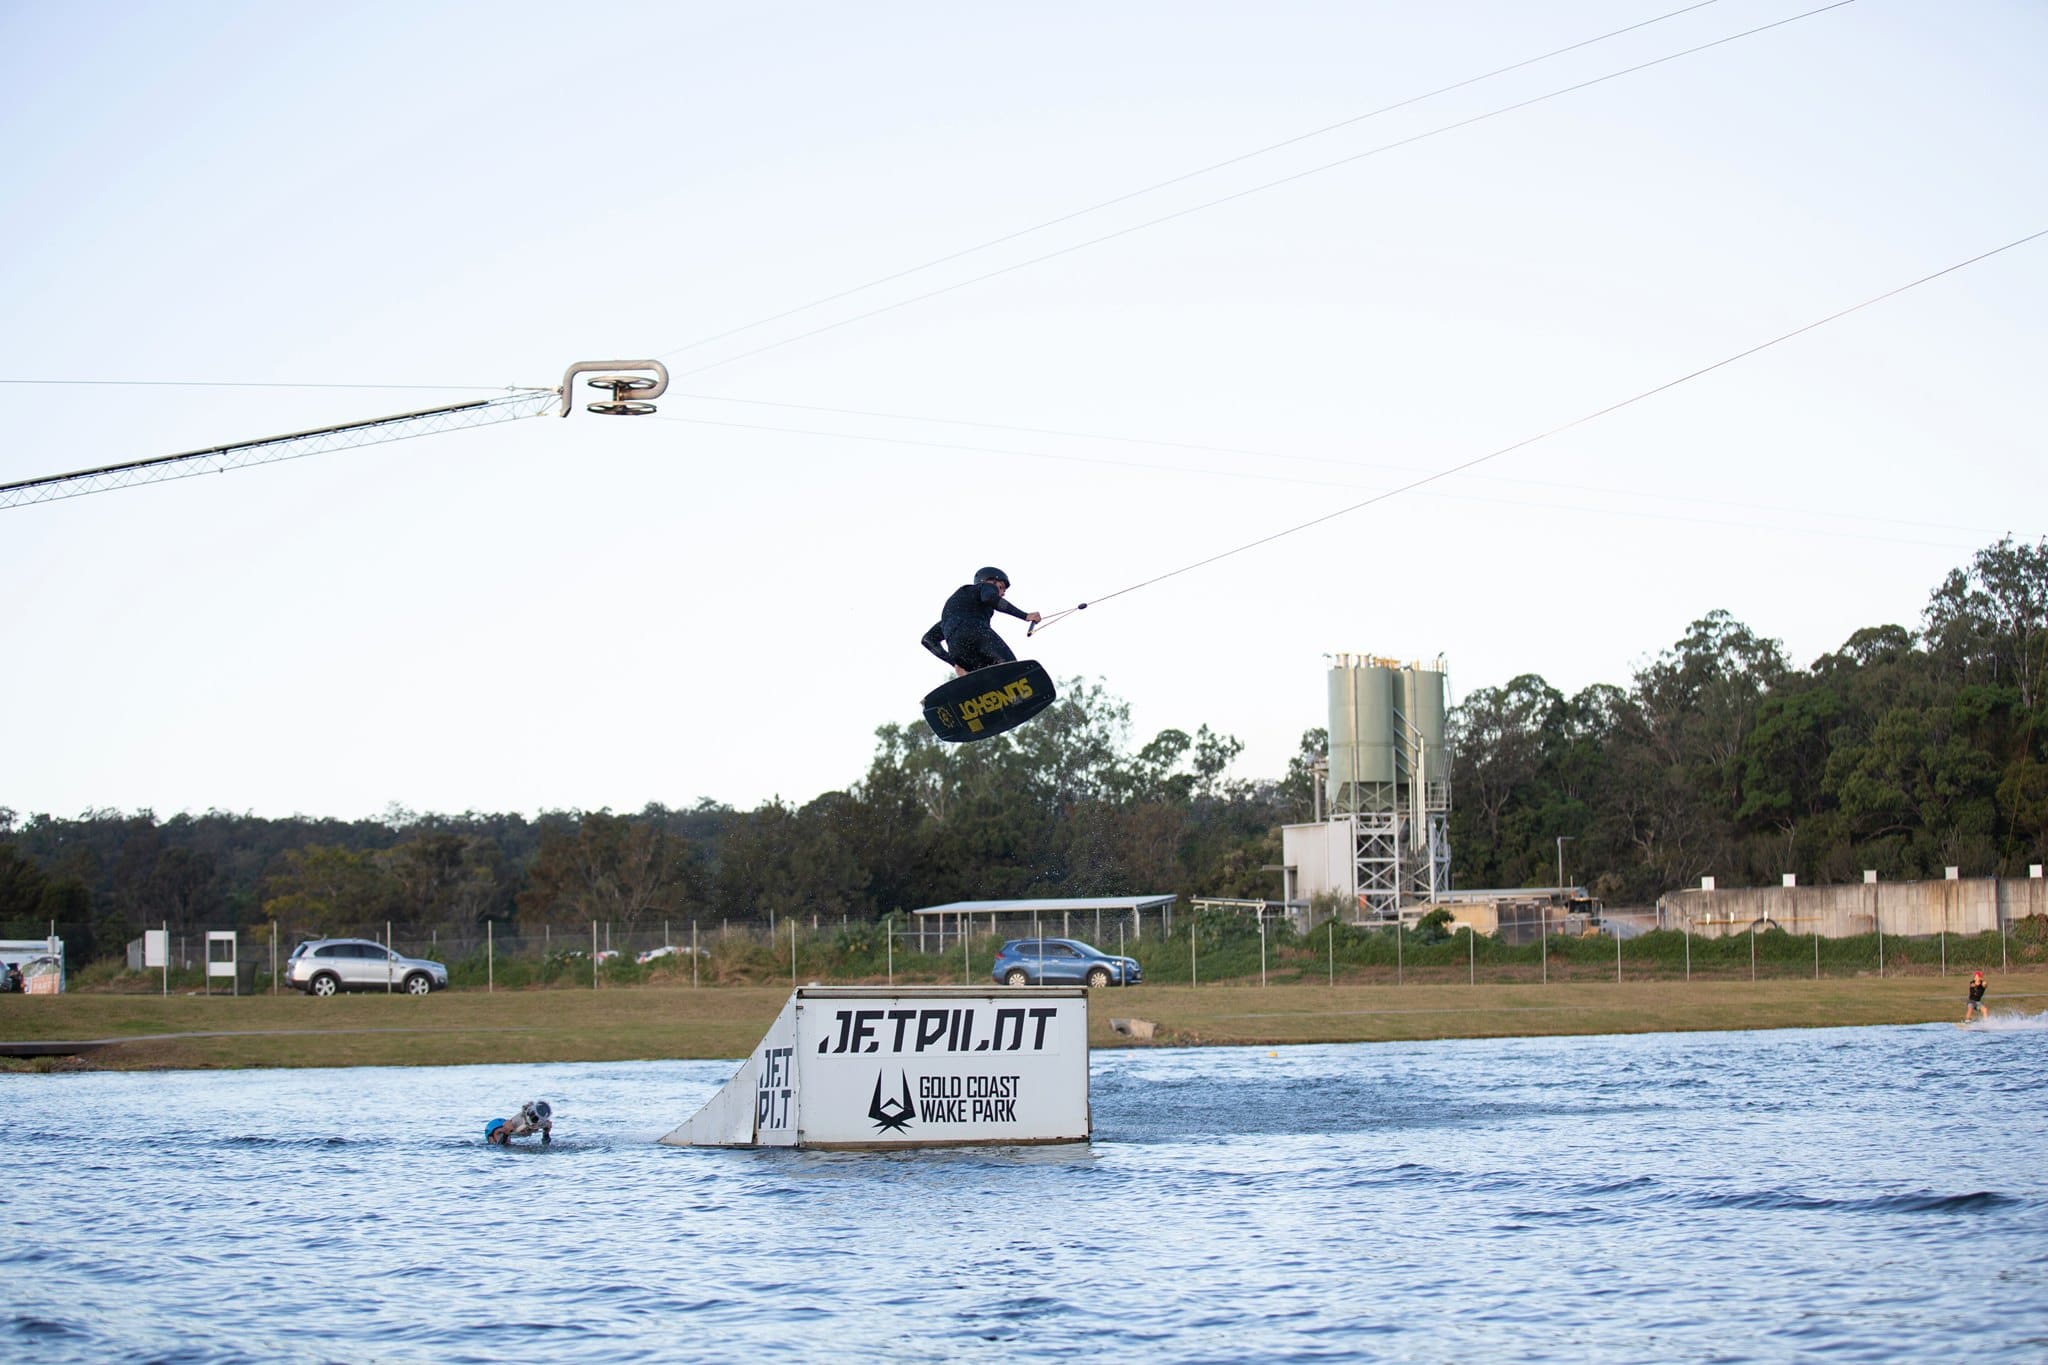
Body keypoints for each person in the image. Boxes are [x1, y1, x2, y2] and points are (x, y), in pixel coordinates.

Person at [921, 566, 1041, 677]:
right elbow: (990, 598)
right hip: (976, 632)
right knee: (1009, 665)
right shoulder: (984, 587)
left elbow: (928, 639)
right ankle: (1018, 693)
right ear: (990, 581)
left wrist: (955, 664)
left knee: (985, 675)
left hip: (957, 649)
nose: (1003, 593)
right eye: (1001, 587)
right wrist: (1025, 616)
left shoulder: (957, 611)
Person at [486, 1099, 553, 1145]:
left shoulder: (514, 1147)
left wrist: (546, 1133)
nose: (508, 1136)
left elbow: (545, 1147)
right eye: (499, 1133)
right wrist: (506, 1133)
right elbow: (500, 1147)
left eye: (509, 1133)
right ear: (490, 1139)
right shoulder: (492, 1150)